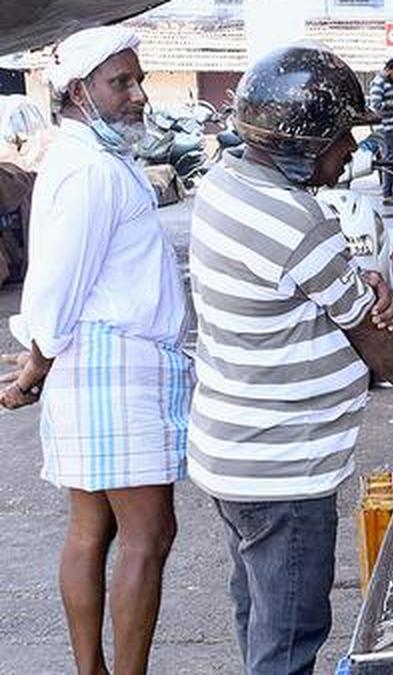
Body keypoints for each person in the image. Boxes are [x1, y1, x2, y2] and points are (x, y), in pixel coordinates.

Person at [188, 43, 393, 674]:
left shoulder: (224, 184)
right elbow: (366, 328)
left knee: (259, 613)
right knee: (291, 637)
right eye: (342, 138)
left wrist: (359, 280)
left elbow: (303, 287)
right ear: (304, 143)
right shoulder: (293, 218)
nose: (351, 151)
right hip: (284, 469)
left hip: (233, 454)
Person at [0, 26, 192, 675]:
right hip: (112, 365)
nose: (138, 94)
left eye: (139, 80)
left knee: (94, 528)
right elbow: (57, 282)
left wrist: (41, 361)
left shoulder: (92, 159)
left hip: (101, 362)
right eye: (121, 82)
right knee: (148, 533)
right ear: (79, 91)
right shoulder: (89, 169)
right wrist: (36, 361)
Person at [367, 57, 393, 204]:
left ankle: (388, 191)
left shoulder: (388, 83)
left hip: (392, 126)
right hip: (385, 127)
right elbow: (375, 105)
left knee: (391, 158)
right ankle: (387, 194)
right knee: (389, 159)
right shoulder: (379, 82)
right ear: (388, 69)